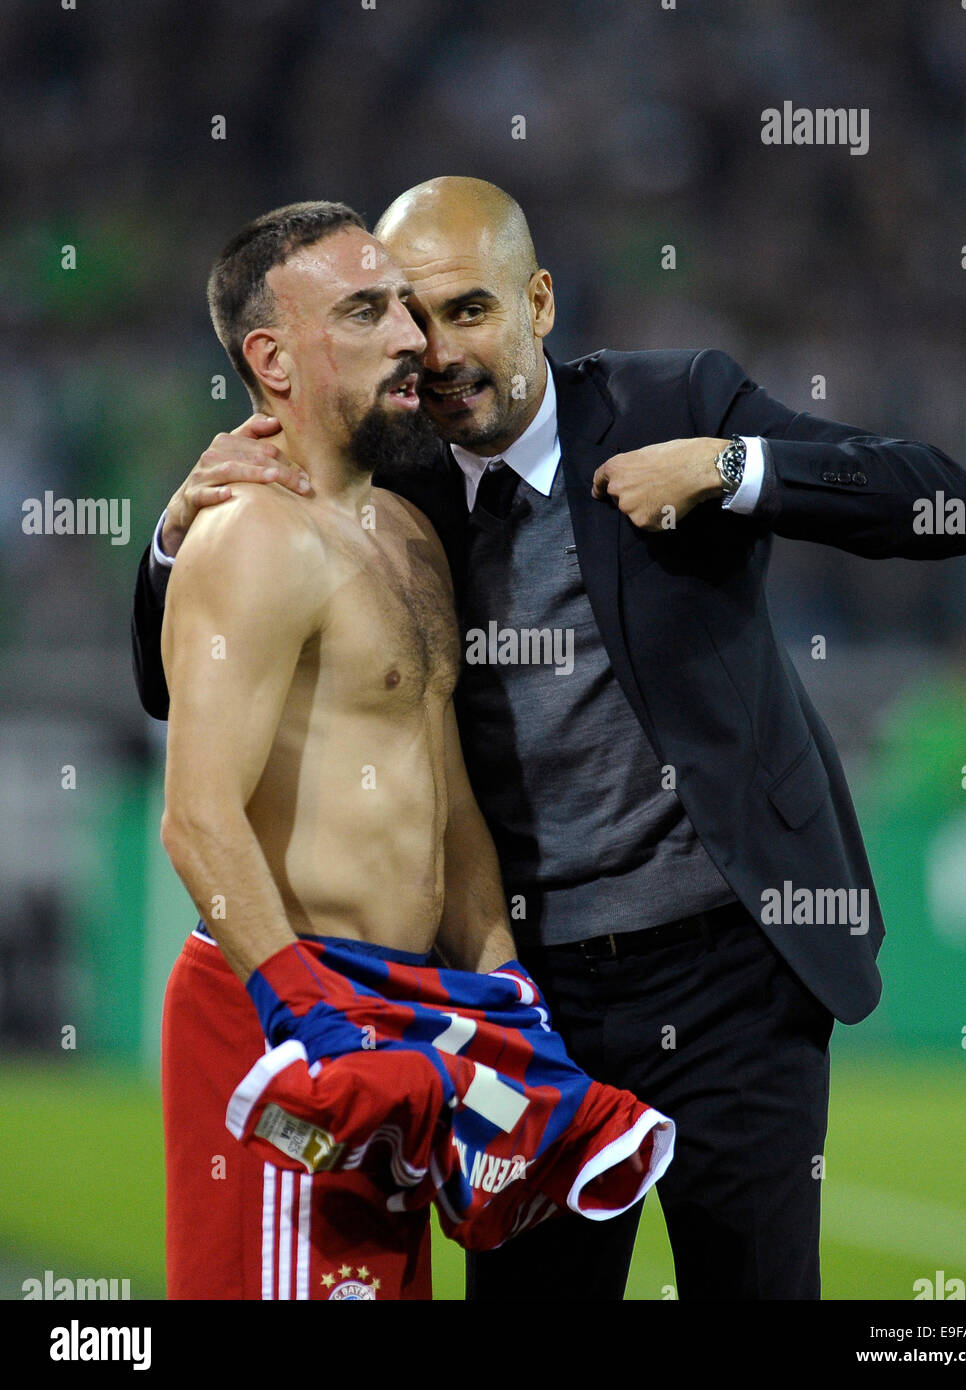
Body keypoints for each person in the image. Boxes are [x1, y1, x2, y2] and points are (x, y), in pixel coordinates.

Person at [135, 178, 966, 1300]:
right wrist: (170, 533)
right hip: (533, 999)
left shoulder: (672, 400)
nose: (432, 350)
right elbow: (172, 683)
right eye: (405, 315)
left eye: (468, 310)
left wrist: (735, 473)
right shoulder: (394, 480)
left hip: (731, 971)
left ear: (539, 301)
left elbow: (946, 504)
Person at [156, 200, 672, 1303]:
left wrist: (501, 979)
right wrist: (307, 1011)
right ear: (273, 358)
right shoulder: (248, 537)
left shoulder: (409, 534)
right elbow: (196, 814)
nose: (411, 338)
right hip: (284, 1016)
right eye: (364, 311)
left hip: (404, 1022)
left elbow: (447, 802)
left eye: (402, 303)